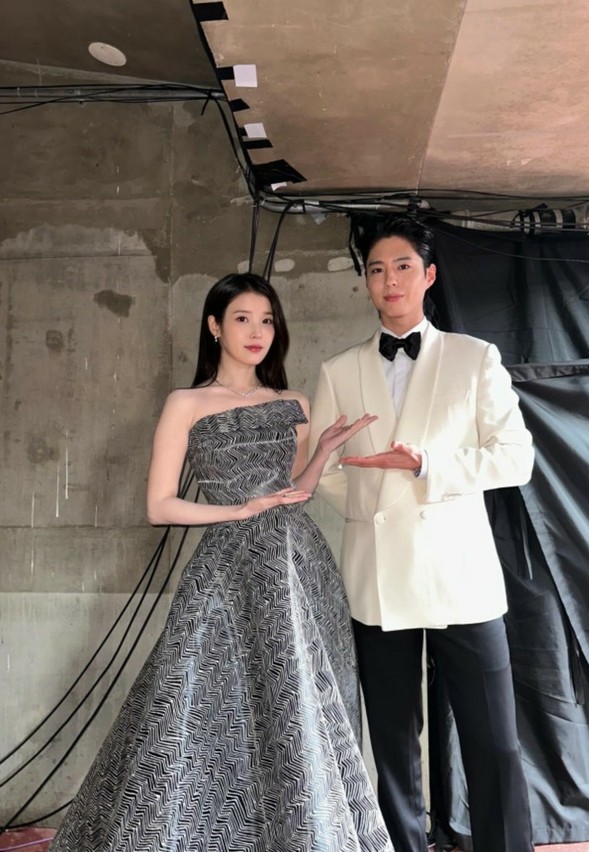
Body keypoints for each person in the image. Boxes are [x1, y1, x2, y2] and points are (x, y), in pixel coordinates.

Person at [50, 273, 392, 852]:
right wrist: (239, 510)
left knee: (297, 699)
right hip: (227, 567)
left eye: (267, 320)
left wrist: (323, 451)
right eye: (242, 319)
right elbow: (160, 505)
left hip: (296, 566)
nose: (258, 332)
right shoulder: (186, 403)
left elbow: (295, 491)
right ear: (214, 326)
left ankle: (303, 832)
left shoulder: (294, 403)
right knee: (200, 697)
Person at [309, 216, 535, 852]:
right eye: (377, 269)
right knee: (391, 743)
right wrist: (379, 500)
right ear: (365, 282)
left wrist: (426, 467)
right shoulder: (338, 370)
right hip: (378, 575)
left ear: (429, 275)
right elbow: (324, 470)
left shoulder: (474, 357)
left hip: (460, 573)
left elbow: (515, 458)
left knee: (494, 741)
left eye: (403, 266)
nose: (390, 280)